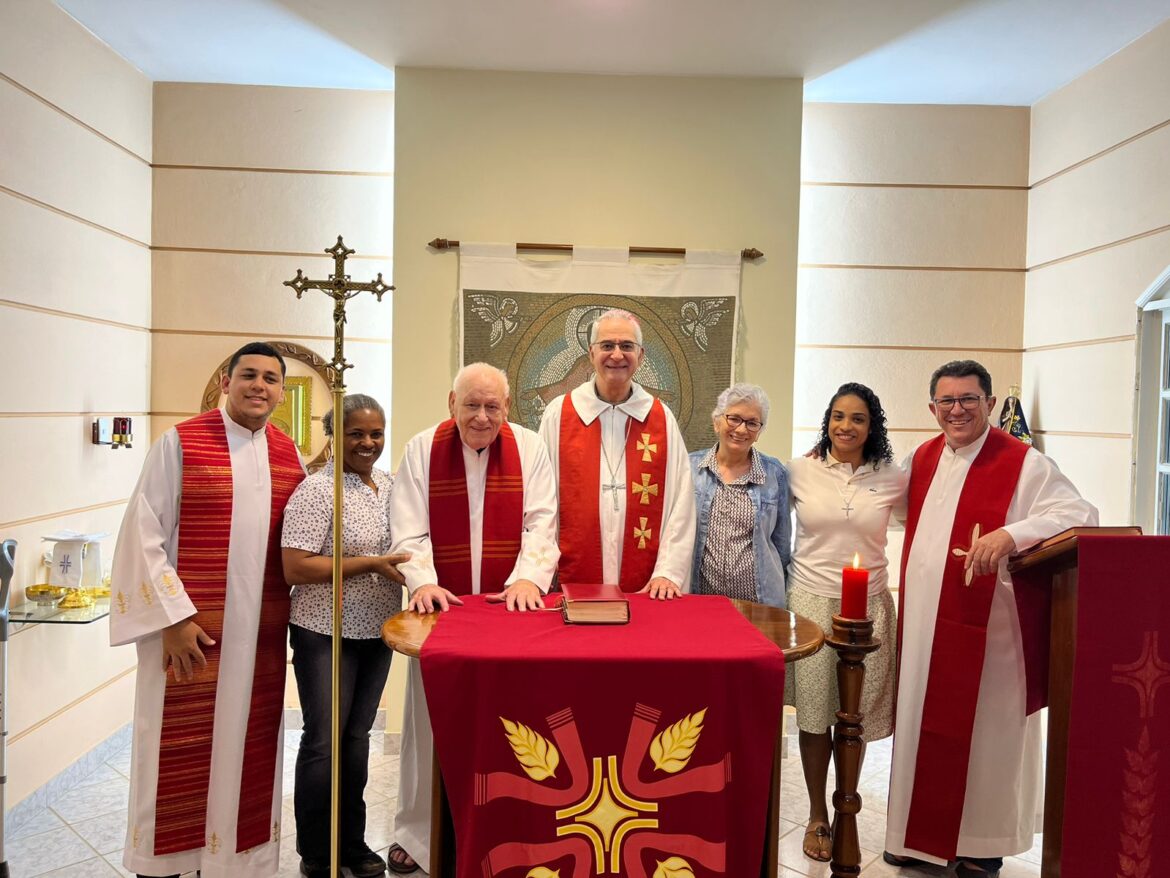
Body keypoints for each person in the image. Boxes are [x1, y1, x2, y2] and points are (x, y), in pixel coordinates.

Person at [884, 360, 1098, 877]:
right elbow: (885, 506)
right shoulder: (923, 457)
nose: (956, 410)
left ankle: (980, 846)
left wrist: (1010, 534)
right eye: (946, 401)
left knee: (987, 739)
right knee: (919, 725)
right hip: (925, 626)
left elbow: (1080, 513)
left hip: (992, 631)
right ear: (932, 407)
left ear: (989, 402)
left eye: (969, 400)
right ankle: (917, 839)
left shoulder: (1023, 463)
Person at [110, 342, 305, 878]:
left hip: (260, 643)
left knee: (248, 752)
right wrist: (171, 619)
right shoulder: (181, 443)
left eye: (270, 378)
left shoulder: (288, 455)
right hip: (191, 635)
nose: (258, 386)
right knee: (177, 752)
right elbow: (142, 534)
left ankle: (236, 864)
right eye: (249, 375)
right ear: (226, 379)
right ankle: (167, 864)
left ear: (281, 392)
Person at [388, 363, 560, 873]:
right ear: (451, 403)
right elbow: (408, 528)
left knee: (509, 723)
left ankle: (509, 829)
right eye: (472, 405)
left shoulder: (530, 448)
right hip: (443, 610)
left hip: (511, 609)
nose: (482, 417)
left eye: (492, 406)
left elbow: (542, 522)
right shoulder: (422, 448)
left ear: (507, 408)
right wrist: (423, 582)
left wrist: (528, 578)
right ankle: (418, 834)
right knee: (428, 722)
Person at [281, 394, 409, 878]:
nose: (368, 443)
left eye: (376, 433)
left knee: (357, 739)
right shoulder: (318, 490)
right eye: (356, 433)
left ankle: (351, 844)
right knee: (323, 741)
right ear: (335, 436)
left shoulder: (390, 485)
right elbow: (295, 565)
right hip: (323, 631)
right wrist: (370, 564)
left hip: (377, 632)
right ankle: (317, 852)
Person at [785, 382, 907, 862]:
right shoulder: (800, 470)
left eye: (857, 418)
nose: (846, 426)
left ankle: (846, 808)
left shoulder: (893, 477)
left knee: (851, 719)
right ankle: (818, 812)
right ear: (827, 420)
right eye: (838, 416)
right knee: (815, 718)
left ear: (872, 425)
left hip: (870, 608)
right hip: (812, 604)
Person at [538, 308, 696, 597]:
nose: (617, 355)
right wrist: (541, 571)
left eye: (626, 346)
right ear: (591, 353)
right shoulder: (560, 413)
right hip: (570, 575)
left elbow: (681, 504)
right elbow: (540, 499)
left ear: (641, 355)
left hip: (645, 583)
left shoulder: (660, 418)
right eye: (607, 346)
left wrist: (667, 572)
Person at [688, 383, 790, 606]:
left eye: (752, 423)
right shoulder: (689, 468)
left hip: (760, 606)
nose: (742, 429)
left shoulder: (775, 474)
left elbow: (781, 545)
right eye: (734, 418)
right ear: (717, 422)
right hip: (701, 603)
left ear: (759, 432)